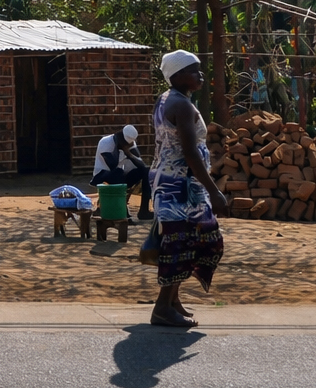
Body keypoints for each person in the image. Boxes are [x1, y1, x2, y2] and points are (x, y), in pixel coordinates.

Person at [145, 50, 227, 328]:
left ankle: (171, 302)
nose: (200, 75)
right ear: (177, 76)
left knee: (183, 242)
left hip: (174, 182)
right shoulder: (181, 105)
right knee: (191, 242)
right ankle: (161, 309)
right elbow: (190, 153)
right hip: (179, 185)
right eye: (194, 70)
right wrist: (214, 191)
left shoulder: (168, 99)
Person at [92, 124, 151, 221]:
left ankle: (144, 210)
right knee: (118, 172)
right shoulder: (106, 142)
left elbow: (141, 165)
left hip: (120, 176)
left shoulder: (130, 143)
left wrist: (129, 154)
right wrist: (118, 147)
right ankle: (123, 211)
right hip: (101, 175)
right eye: (125, 144)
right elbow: (112, 165)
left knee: (146, 171)